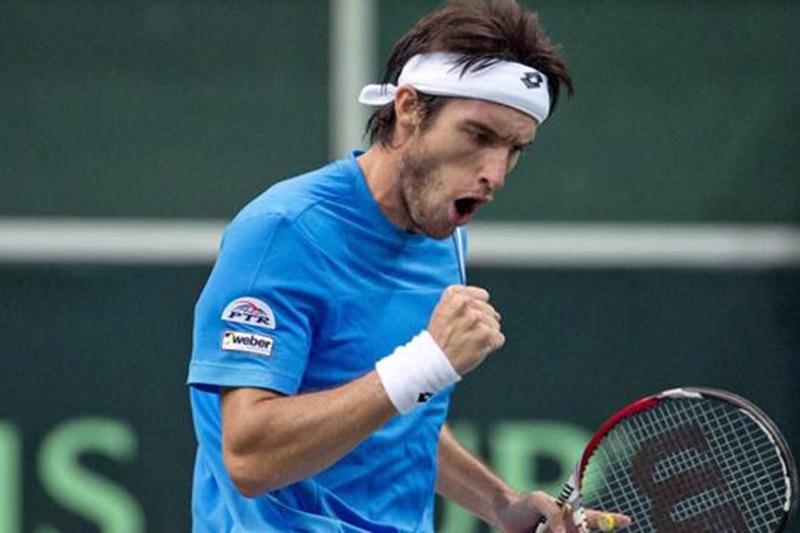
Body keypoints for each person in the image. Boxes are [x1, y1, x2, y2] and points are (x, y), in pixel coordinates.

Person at [187, 1, 631, 531]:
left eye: (516, 149)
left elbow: (399, 415)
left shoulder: (445, 237)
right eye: (479, 135)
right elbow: (250, 458)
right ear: (409, 109)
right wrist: (424, 363)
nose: (496, 174)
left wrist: (500, 504)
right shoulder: (283, 232)